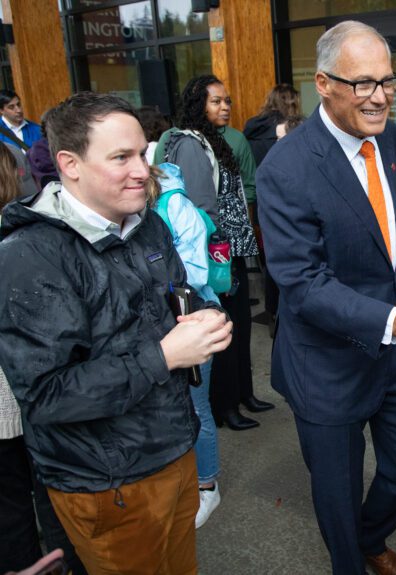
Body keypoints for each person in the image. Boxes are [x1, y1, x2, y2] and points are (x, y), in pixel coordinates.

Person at [0, 91, 233, 574]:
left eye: (143, 154)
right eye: (120, 157)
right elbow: (45, 396)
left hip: (174, 451)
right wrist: (166, 355)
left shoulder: (148, 225)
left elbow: (170, 303)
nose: (142, 170)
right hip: (107, 484)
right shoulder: (29, 256)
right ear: (70, 164)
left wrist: (198, 320)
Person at [256, 20, 396, 575]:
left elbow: (383, 240)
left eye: (388, 81)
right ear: (323, 83)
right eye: (363, 83)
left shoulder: (389, 137)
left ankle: (370, 539)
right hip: (327, 361)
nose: (381, 97)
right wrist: (394, 320)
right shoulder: (285, 169)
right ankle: (351, 561)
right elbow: (302, 282)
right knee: (336, 497)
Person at [158, 75, 272, 431]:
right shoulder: (187, 142)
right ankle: (225, 406)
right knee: (220, 323)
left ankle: (242, 394)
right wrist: (216, 252)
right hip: (210, 251)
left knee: (237, 322)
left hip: (230, 246)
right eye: (216, 102)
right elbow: (200, 206)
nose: (224, 107)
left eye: (227, 101)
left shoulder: (223, 139)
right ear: (198, 105)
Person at [0, 144, 84, 574]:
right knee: (46, 498)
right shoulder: (22, 241)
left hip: (22, 400)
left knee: (14, 508)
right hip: (24, 403)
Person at [147, 163, 223, 529]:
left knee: (197, 407)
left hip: (192, 317)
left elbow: (197, 273)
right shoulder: (135, 211)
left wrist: (145, 272)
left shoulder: (176, 207)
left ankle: (208, 484)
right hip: (162, 325)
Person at [243, 84, 302, 331]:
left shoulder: (251, 131)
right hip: (290, 206)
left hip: (262, 205)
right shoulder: (294, 131)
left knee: (270, 262)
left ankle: (272, 314)